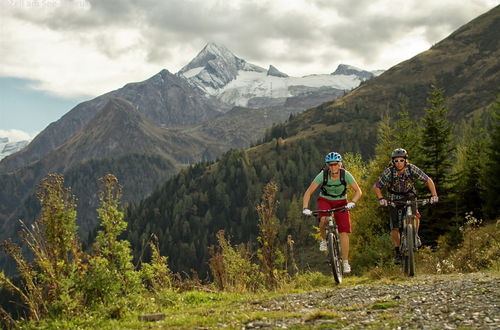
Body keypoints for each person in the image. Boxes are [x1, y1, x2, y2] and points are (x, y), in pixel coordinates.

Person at [374, 148, 438, 264]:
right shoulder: (389, 172)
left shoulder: (411, 168)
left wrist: (434, 195)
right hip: (394, 198)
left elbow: (428, 180)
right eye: (396, 161)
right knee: (394, 227)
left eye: (401, 160)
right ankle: (397, 252)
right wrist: (381, 198)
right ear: (393, 162)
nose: (399, 163)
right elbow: (377, 186)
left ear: (406, 161)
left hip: (409, 196)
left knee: (415, 215)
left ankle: (414, 235)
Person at [302, 151, 362, 273]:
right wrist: (305, 208)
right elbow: (308, 192)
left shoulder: (346, 175)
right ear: (327, 165)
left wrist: (352, 202)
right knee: (323, 219)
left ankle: (345, 262)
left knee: (344, 232)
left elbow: (358, 191)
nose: (333, 167)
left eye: (335, 164)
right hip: (325, 200)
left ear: (340, 164)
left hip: (341, 202)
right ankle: (324, 240)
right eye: (330, 165)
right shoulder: (322, 175)